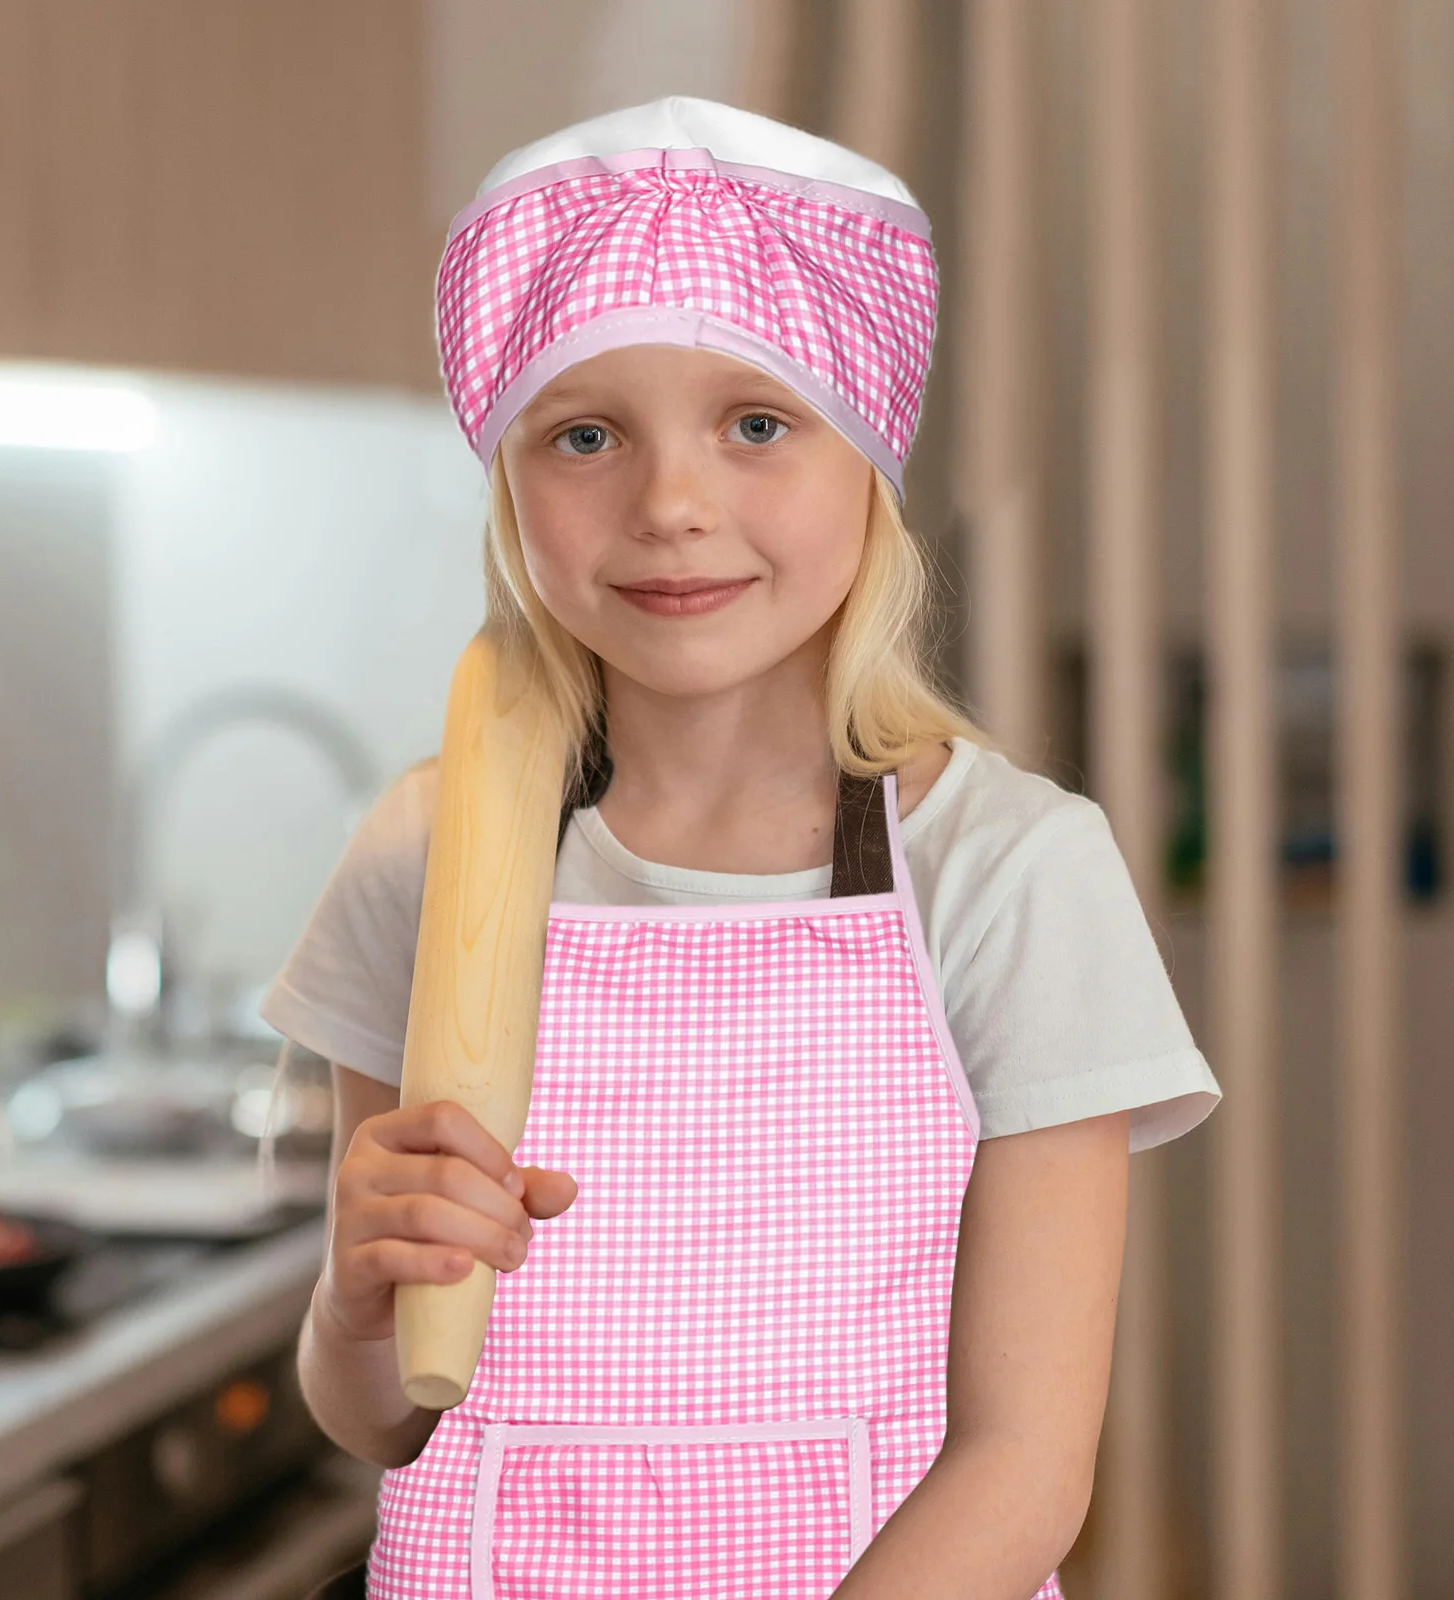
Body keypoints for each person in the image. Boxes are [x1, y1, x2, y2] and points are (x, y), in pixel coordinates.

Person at [267, 95, 1221, 1600]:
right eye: (584, 434)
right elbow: (375, 1418)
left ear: (871, 458)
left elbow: (1026, 1469)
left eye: (756, 423)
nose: (671, 506)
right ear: (512, 482)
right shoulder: (421, 855)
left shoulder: (1008, 870)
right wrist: (358, 1300)